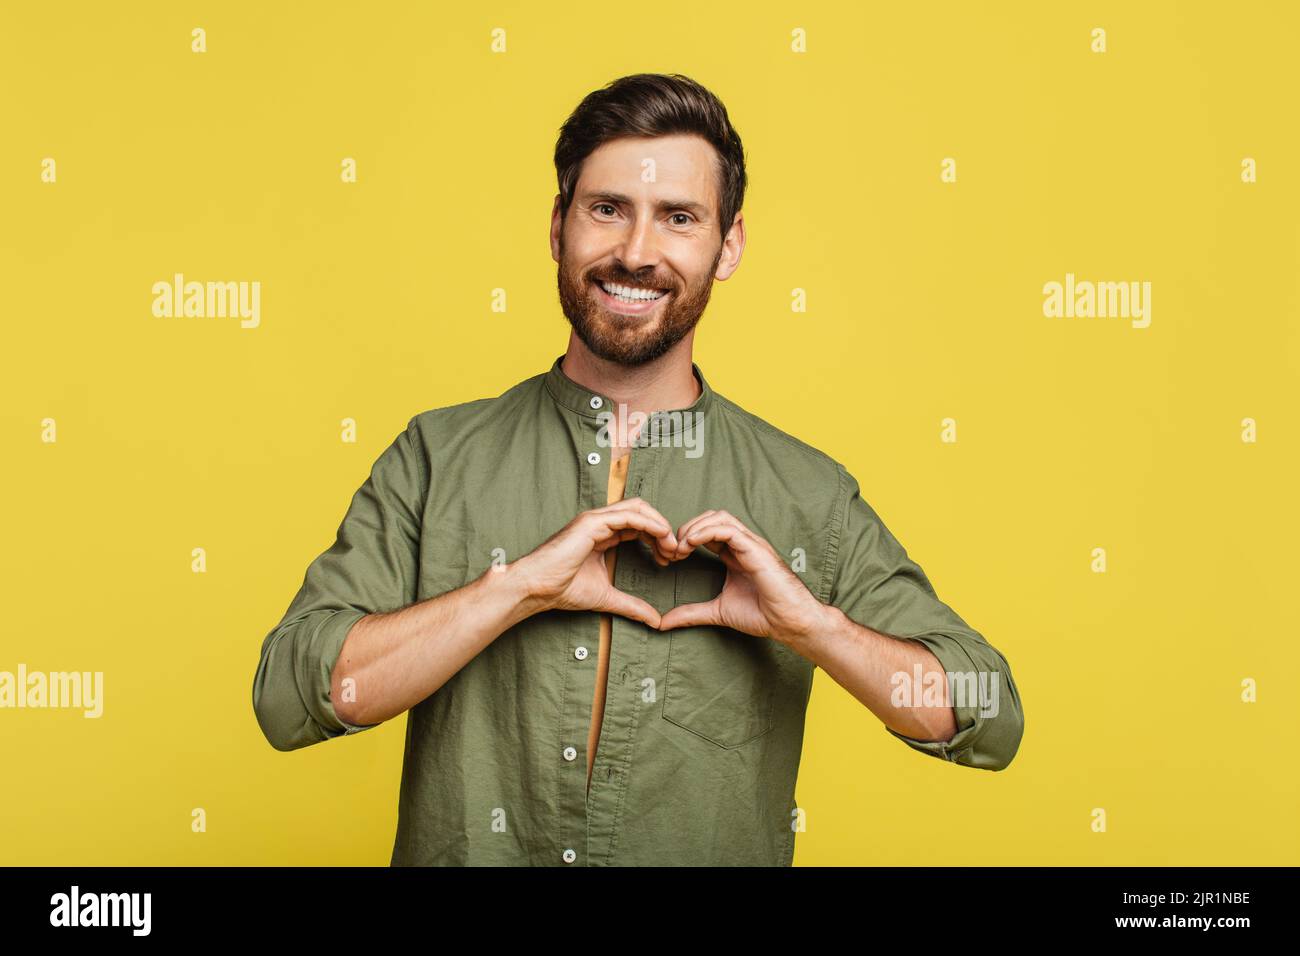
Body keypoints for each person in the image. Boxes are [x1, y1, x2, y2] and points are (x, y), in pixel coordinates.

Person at [252, 73, 1024, 866]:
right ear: (558, 227)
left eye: (679, 218)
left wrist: (815, 628)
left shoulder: (807, 496)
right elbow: (287, 700)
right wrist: (514, 589)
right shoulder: (435, 458)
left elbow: (987, 717)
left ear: (728, 248)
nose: (635, 252)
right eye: (607, 208)